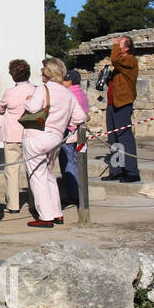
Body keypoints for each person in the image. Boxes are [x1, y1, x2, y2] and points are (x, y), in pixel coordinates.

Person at [23, 58, 88, 229]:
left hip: (37, 135)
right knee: (49, 175)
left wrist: (28, 99)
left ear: (47, 73)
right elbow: (80, 117)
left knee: (37, 176)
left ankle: (45, 216)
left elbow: (32, 107)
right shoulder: (68, 93)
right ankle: (56, 213)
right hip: (56, 137)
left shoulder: (43, 89)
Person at [0, 59, 36, 214]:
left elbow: (0, 109)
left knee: (11, 171)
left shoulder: (10, 92)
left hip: (12, 134)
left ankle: (13, 204)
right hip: (30, 133)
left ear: (13, 75)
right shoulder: (35, 90)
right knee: (32, 170)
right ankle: (35, 202)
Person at [103, 35, 141, 183]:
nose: (117, 45)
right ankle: (117, 169)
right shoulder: (120, 66)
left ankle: (132, 171)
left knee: (125, 137)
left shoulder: (131, 60)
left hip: (123, 103)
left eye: (120, 43)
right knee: (114, 138)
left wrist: (114, 46)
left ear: (126, 48)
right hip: (113, 104)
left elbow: (116, 59)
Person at [59, 69, 90, 204]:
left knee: (68, 163)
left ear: (69, 81)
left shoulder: (68, 94)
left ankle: (73, 194)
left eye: (64, 80)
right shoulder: (82, 93)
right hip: (81, 133)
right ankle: (80, 191)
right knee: (78, 162)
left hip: (69, 132)